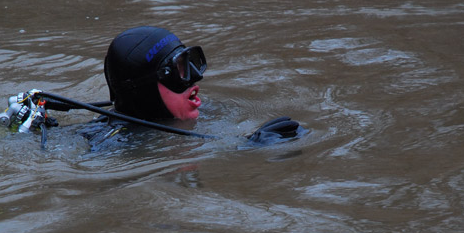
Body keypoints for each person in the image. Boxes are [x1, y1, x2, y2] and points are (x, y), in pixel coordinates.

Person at [79, 26, 304, 149]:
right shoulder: (113, 143)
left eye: (188, 65)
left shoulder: (208, 112)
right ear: (144, 92)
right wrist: (244, 149)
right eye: (177, 73)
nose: (193, 82)